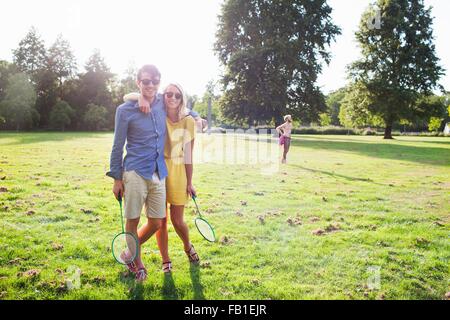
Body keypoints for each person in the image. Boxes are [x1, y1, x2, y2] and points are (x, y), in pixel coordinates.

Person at [107, 65, 201, 281]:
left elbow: (183, 106)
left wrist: (197, 116)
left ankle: (130, 252)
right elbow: (116, 146)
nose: (151, 85)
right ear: (138, 82)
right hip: (134, 171)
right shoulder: (124, 110)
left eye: (155, 81)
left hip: (159, 172)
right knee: (132, 219)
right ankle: (136, 262)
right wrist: (116, 178)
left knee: (157, 222)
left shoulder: (161, 101)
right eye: (146, 81)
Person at [124, 83, 199, 273]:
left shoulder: (188, 120)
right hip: (158, 168)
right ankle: (165, 260)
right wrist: (140, 98)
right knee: (161, 220)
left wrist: (190, 182)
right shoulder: (158, 111)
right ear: (163, 96)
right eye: (168, 94)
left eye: (177, 95)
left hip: (179, 170)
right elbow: (129, 96)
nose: (172, 98)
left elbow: (189, 155)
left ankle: (187, 246)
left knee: (178, 220)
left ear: (182, 98)